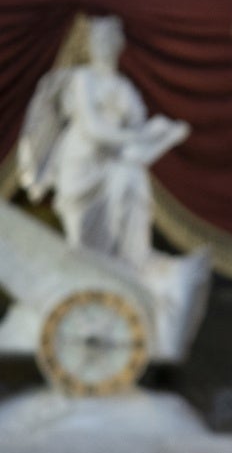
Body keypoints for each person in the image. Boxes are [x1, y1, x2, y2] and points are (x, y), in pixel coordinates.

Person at [19, 15, 189, 268]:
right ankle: (88, 275)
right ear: (89, 44)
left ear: (118, 45)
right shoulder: (83, 79)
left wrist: (165, 134)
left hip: (114, 163)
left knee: (132, 178)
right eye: (98, 39)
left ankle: (133, 259)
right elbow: (93, 128)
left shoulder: (125, 88)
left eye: (108, 38)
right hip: (82, 164)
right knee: (83, 249)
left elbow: (138, 140)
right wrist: (145, 134)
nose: (103, 44)